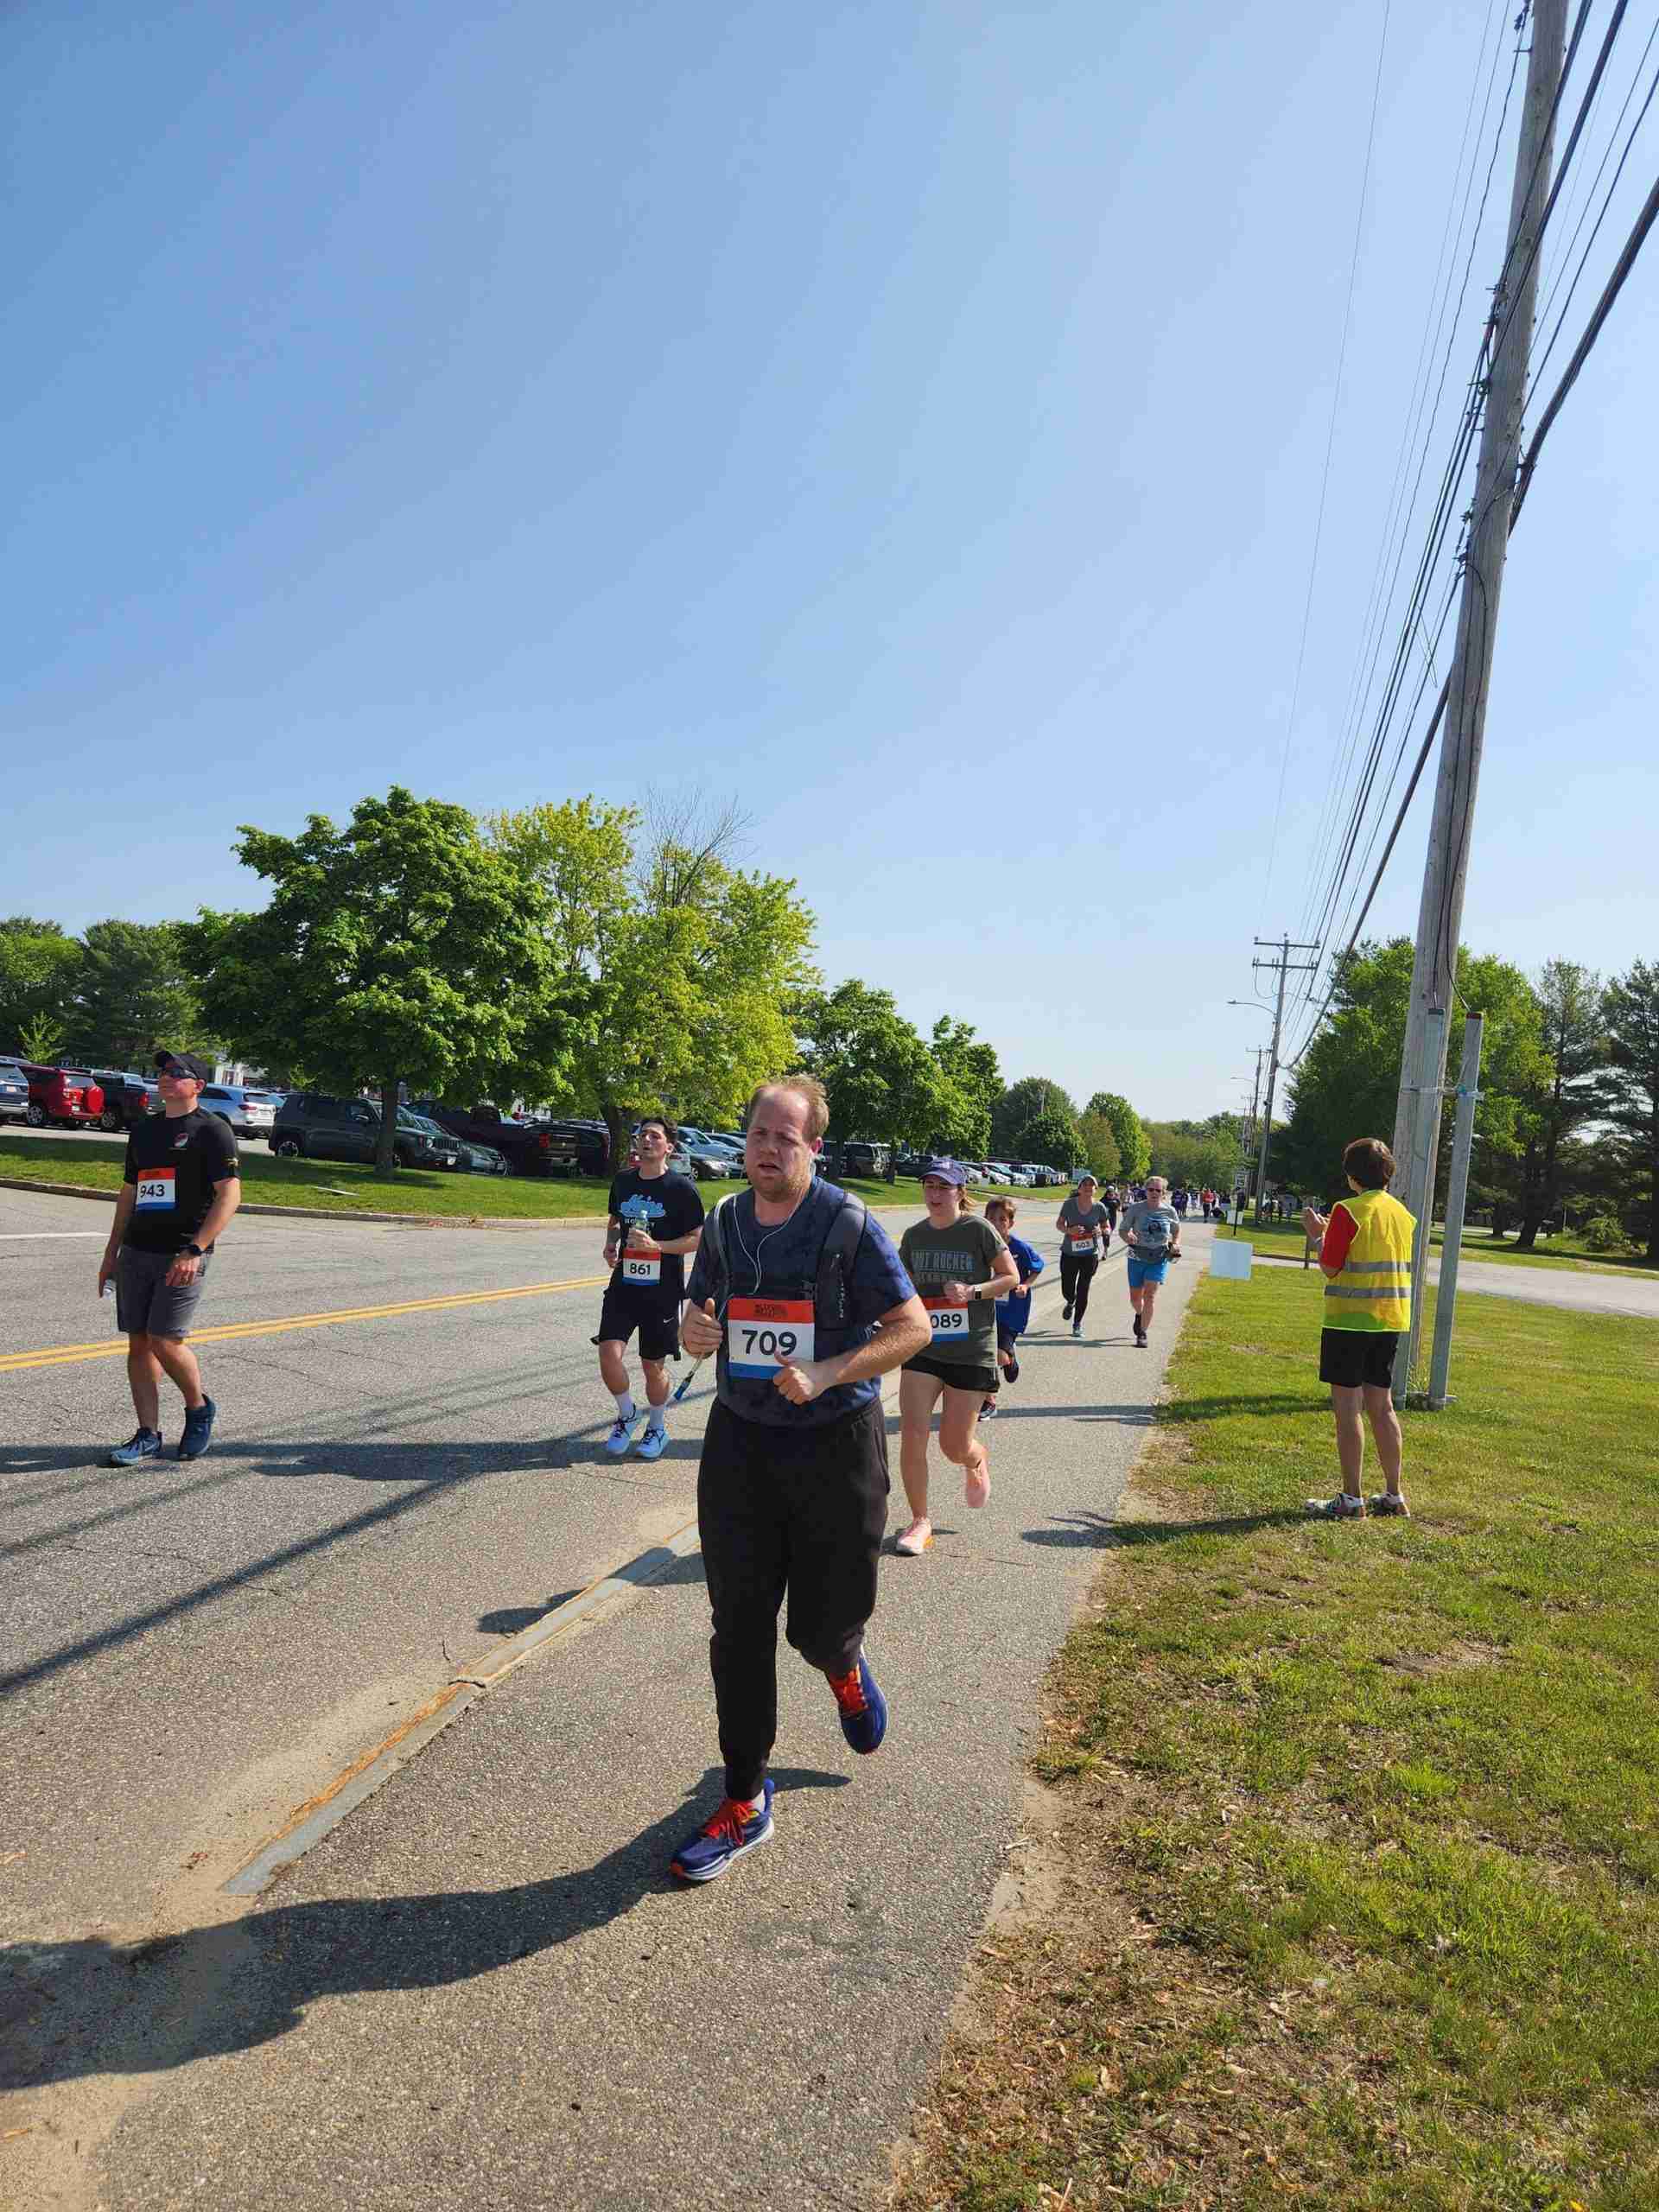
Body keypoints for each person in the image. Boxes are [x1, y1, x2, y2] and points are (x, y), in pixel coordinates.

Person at [670, 1076, 929, 1882]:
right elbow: (698, 1316)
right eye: (759, 1134)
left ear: (813, 1147)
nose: (769, 1150)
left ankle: (843, 1666)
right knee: (738, 1628)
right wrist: (694, 1330)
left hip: (835, 1447)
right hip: (741, 1445)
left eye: (786, 1138)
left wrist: (827, 1371)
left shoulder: (847, 1223)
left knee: (817, 1631)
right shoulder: (723, 1221)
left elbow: (912, 1327)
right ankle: (745, 1797)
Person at [98, 1050, 241, 1465]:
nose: (166, 1077)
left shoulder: (212, 1130)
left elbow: (230, 1195)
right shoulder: (144, 1131)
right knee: (139, 1343)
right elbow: (129, 1194)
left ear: (198, 1085)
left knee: (165, 1339)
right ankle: (147, 1434)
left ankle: (198, 1408)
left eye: (178, 1072)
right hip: (137, 1250)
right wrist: (111, 1253)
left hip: (183, 1252)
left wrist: (195, 1249)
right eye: (162, 1071)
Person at [893, 1160, 1019, 1556]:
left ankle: (975, 1458)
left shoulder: (978, 1230)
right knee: (913, 1434)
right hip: (924, 1347)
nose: (934, 1194)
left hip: (970, 1349)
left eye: (943, 1187)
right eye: (928, 1186)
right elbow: (901, 1285)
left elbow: (1010, 1277)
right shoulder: (915, 1236)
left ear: (960, 1192)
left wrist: (972, 1291)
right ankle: (919, 1521)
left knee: (953, 1446)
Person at [1300, 1138, 1415, 1520]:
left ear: (1352, 1177)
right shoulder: (1402, 1213)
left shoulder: (1347, 1210)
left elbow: (1330, 1266)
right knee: (1382, 1408)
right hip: (1389, 1318)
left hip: (1349, 1320)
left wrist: (1317, 1235)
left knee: (1348, 1409)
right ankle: (1394, 1494)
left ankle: (1352, 1499)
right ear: (1388, 1173)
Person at [598, 1115, 704, 1461]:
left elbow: (697, 1238)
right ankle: (627, 1414)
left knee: (651, 1365)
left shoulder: (681, 1189)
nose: (646, 1140)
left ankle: (657, 1427)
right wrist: (610, 1244)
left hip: (662, 1290)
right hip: (624, 1284)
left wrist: (658, 1247)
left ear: (669, 1147)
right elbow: (616, 1220)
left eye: (655, 1136)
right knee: (608, 1353)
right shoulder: (623, 1181)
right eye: (643, 1135)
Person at [979, 1195, 1044, 1419]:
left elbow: (1037, 1267)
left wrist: (1025, 1285)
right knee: (983, 1356)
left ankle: (1010, 1358)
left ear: (1011, 1223)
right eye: (991, 1219)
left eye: (1002, 1219)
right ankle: (989, 1401)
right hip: (983, 1311)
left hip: (1010, 1313)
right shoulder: (979, 1246)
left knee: (998, 1356)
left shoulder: (1019, 1248)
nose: (996, 1224)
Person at [1119, 1173, 1182, 1346]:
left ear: (1163, 1192)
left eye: (1158, 1190)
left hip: (1158, 1257)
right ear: (1145, 1191)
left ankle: (1142, 1333)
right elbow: (1123, 1229)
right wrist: (1127, 1236)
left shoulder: (1169, 1211)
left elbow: (1177, 1230)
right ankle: (1139, 1314)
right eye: (1151, 1189)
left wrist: (1176, 1243)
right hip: (1137, 1257)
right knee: (1135, 1299)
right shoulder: (1135, 1209)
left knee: (1150, 1296)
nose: (1154, 1193)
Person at [1054, 1172, 1110, 1338]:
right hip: (1069, 1253)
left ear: (1096, 1189)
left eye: (1091, 1185)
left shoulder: (1099, 1207)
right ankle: (1070, 1301)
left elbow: (1107, 1226)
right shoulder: (1069, 1204)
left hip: (1089, 1255)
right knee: (1067, 1288)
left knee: (1084, 1289)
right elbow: (1059, 1224)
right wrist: (1069, 1230)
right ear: (1079, 1188)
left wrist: (1101, 1231)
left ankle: (1077, 1323)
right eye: (1084, 1184)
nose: (1088, 1187)